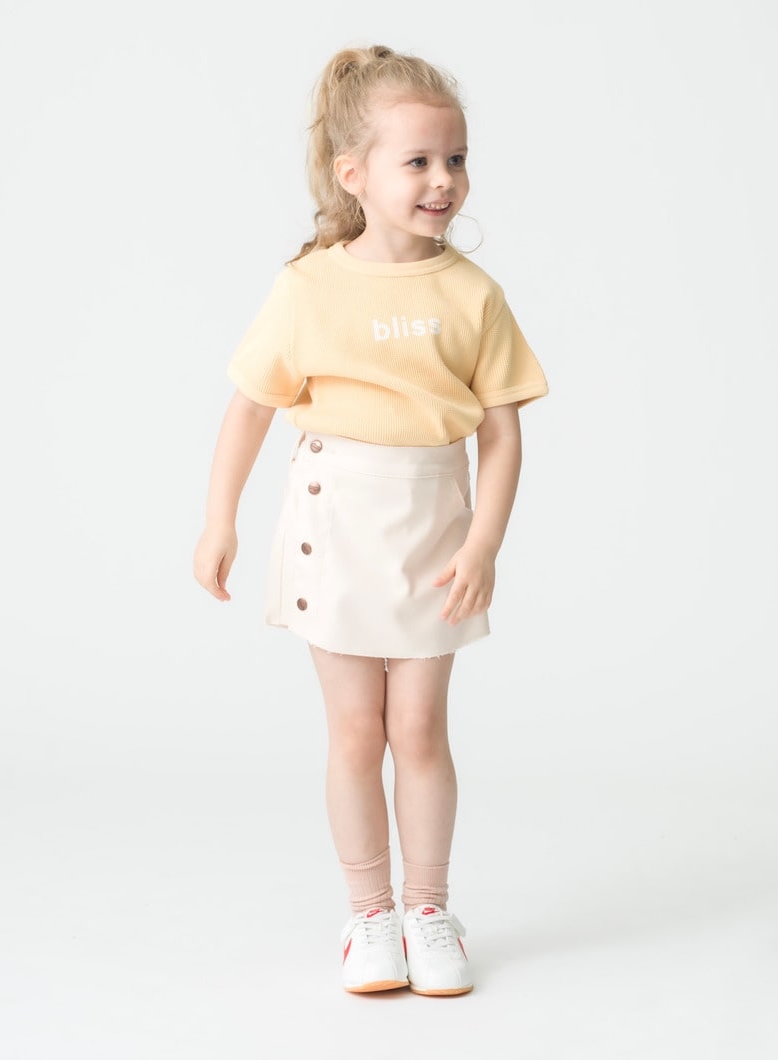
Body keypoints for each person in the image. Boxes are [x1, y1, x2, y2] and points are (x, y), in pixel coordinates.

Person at [193, 43, 548, 997]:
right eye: (418, 160)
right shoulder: (309, 286)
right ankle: (368, 916)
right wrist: (220, 518)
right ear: (353, 174)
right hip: (335, 521)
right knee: (356, 732)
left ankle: (428, 908)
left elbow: (501, 436)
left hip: (434, 531)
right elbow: (251, 406)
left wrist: (483, 543)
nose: (443, 180)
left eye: (455, 159)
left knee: (420, 730)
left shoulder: (472, 294)